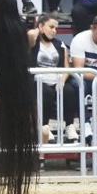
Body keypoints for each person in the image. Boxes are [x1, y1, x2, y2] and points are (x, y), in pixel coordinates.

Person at [28, 14, 79, 142]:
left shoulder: (60, 44)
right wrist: (37, 29)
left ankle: (69, 126)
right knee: (46, 92)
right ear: (40, 26)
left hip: (56, 80)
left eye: (56, 28)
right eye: (51, 27)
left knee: (69, 91)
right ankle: (45, 126)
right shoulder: (33, 42)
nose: (54, 31)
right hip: (37, 81)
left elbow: (67, 67)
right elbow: (30, 35)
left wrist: (62, 80)